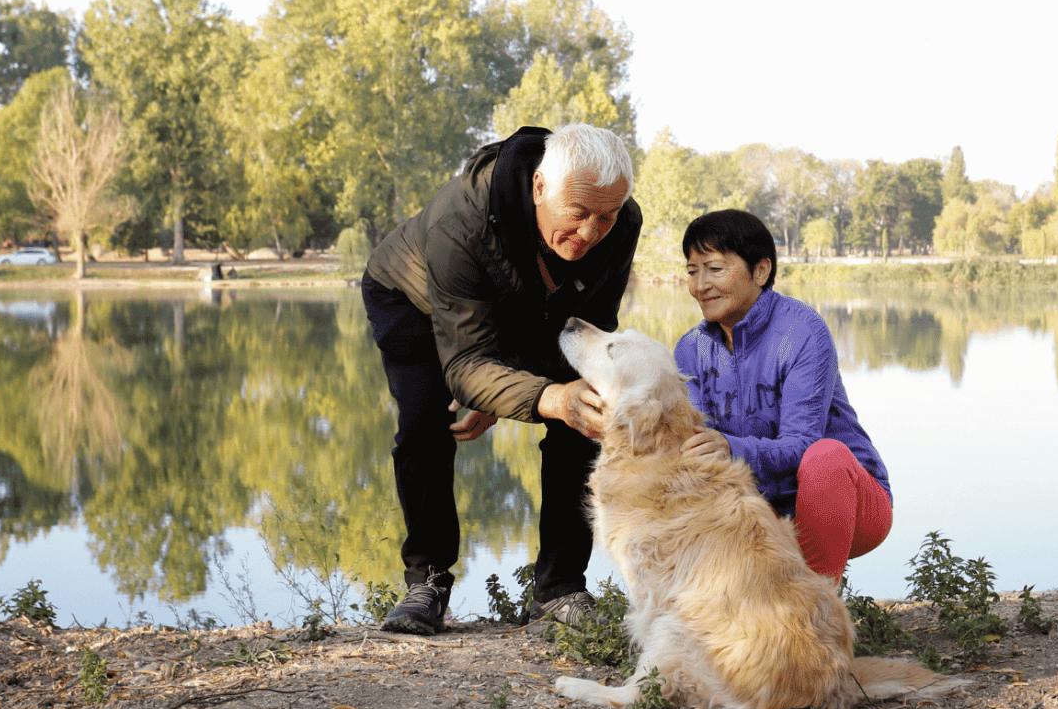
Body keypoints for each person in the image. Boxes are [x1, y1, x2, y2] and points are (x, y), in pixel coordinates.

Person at [360, 124, 641, 634]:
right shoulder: (460, 220)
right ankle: (427, 582)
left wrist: (519, 392)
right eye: (578, 213)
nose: (590, 232)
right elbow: (466, 362)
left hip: (518, 316)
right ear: (540, 188)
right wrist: (524, 391)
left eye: (606, 216)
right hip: (412, 298)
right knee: (426, 422)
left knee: (585, 409)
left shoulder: (621, 221)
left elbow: (590, 330)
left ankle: (560, 590)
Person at [674, 209, 892, 581]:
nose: (700, 285)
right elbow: (694, 443)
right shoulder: (689, 350)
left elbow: (802, 443)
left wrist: (729, 446)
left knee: (824, 457)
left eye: (715, 269)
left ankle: (819, 600)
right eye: (693, 271)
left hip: (847, 504)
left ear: (761, 271)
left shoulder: (802, 331)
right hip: (756, 512)